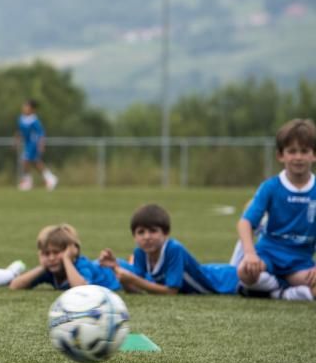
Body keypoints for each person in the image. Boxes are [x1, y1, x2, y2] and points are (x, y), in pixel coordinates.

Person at [235, 118, 316, 301]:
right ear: (281, 155)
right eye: (292, 151)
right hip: (268, 255)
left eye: (304, 151)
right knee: (244, 271)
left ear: (314, 154)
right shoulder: (270, 187)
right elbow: (245, 222)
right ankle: (282, 288)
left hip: (300, 262)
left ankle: (279, 292)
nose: (298, 157)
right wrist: (250, 253)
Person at [98, 204, 239, 295]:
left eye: (153, 231)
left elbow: (171, 291)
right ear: (134, 236)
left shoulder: (173, 249)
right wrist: (116, 269)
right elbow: (135, 290)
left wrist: (133, 279)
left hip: (225, 281)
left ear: (165, 233)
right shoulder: (140, 252)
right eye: (141, 232)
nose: (146, 237)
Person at [9, 224, 122, 291]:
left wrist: (67, 259)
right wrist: (43, 267)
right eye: (46, 253)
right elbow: (15, 285)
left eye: (56, 252)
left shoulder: (81, 265)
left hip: (116, 273)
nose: (51, 258)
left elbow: (81, 290)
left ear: (73, 250)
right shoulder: (50, 270)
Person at [14, 99, 57, 191]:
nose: (24, 108)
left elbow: (41, 133)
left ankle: (27, 182)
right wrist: (16, 141)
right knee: (35, 162)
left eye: (26, 106)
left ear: (32, 109)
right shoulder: (21, 118)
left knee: (25, 161)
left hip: (33, 143)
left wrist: (41, 145)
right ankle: (50, 178)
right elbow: (20, 131)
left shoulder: (34, 120)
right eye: (24, 106)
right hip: (27, 143)